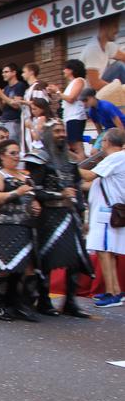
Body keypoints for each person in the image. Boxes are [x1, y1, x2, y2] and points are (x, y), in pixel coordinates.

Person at [23, 120, 93, 318]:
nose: (62, 134)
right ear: (47, 134)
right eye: (57, 131)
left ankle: (70, 302)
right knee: (48, 260)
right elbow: (34, 189)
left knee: (75, 259)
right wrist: (59, 195)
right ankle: (44, 301)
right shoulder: (39, 158)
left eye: (63, 131)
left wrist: (81, 212)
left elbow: (77, 188)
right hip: (49, 215)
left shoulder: (70, 160)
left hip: (70, 215)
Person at [0, 140, 41, 321]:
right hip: (4, 226)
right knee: (4, 266)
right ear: (2, 156)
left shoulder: (24, 176)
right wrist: (17, 193)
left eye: (18, 152)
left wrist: (35, 204)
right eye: (12, 153)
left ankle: (22, 306)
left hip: (26, 226)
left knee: (28, 267)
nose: (16, 156)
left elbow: (31, 196)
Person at [81, 128, 125, 307]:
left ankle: (112, 292)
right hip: (106, 212)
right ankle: (114, 290)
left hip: (106, 213)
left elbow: (90, 175)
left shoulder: (115, 158)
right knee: (107, 252)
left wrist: (67, 167)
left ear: (107, 142)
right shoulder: (115, 160)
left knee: (104, 251)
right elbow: (92, 184)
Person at [48, 60, 88, 161]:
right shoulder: (72, 83)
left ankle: (82, 166)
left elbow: (71, 98)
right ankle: (79, 165)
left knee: (76, 146)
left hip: (76, 117)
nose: (63, 71)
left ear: (71, 70)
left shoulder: (79, 80)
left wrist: (57, 91)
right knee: (72, 145)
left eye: (65, 68)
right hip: (69, 118)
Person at [81, 14, 125, 90]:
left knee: (120, 65)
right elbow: (95, 84)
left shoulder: (108, 45)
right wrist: (119, 89)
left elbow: (123, 57)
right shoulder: (93, 50)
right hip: (92, 95)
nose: (117, 30)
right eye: (115, 26)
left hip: (103, 87)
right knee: (119, 66)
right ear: (104, 26)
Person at [0, 63, 26, 144]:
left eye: (6, 72)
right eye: (3, 72)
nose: (3, 74)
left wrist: (2, 95)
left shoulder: (20, 85)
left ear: (14, 72)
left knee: (11, 144)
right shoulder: (6, 88)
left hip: (14, 122)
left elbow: (17, 105)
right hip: (3, 121)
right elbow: (2, 108)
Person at [20, 63, 47, 153]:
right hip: (29, 125)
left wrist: (22, 102)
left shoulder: (37, 87)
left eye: (24, 72)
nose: (22, 74)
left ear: (31, 72)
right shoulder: (30, 89)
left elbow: (41, 105)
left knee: (35, 150)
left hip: (35, 124)